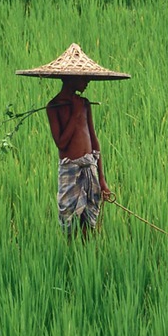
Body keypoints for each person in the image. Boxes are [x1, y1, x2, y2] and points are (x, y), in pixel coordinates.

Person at [46, 76, 111, 239]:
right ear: (71, 78)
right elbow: (61, 143)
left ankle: (86, 255)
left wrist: (102, 180)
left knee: (89, 223)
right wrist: (74, 114)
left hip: (90, 167)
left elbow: (94, 142)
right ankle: (72, 256)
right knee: (69, 221)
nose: (87, 82)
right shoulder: (54, 106)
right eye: (84, 79)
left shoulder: (84, 104)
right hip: (70, 170)